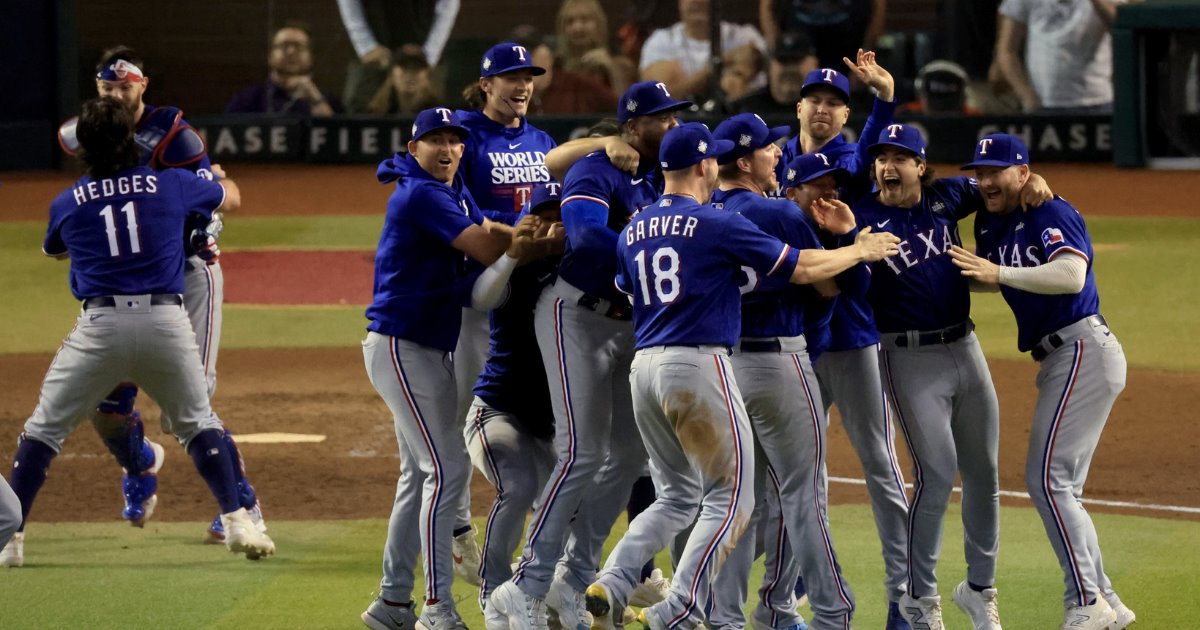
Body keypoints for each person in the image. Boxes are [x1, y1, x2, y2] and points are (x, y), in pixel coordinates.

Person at [583, 122, 898, 630]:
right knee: (756, 498)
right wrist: (858, 248)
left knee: (681, 496)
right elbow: (805, 272)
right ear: (705, 165)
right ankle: (690, 609)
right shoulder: (727, 220)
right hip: (719, 363)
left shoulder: (635, 225)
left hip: (646, 367)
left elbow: (627, 287)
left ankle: (622, 580)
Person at [0, 97, 274, 569]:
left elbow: (57, 250)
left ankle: (13, 540)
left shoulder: (66, 202)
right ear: (132, 140)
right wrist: (212, 178)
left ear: (83, 149)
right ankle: (237, 520)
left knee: (43, 432)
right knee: (197, 423)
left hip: (99, 328)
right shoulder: (169, 184)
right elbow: (225, 193)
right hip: (165, 323)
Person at [488, 80, 692, 630]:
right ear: (632, 126)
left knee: (629, 457)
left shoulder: (658, 177)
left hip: (628, 325)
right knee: (581, 450)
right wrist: (649, 237)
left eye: (677, 117)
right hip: (573, 315)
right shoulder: (597, 169)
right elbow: (584, 236)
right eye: (663, 118)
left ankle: (572, 579)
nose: (672, 125)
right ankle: (524, 587)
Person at [703, 113, 907, 630]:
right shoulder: (777, 215)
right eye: (771, 149)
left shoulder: (707, 209)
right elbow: (835, 289)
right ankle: (832, 614)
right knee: (804, 494)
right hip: (779, 361)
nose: (779, 154)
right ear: (746, 160)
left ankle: (724, 616)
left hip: (721, 366)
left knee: (736, 498)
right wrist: (851, 245)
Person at [57, 46, 268, 545]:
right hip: (126, 279)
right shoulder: (84, 132)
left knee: (186, 408)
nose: (114, 94)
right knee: (105, 408)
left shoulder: (174, 135)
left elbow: (223, 193)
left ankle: (244, 505)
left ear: (143, 85)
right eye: (106, 87)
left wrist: (207, 203)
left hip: (189, 274)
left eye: (124, 86)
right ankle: (140, 464)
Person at [358, 106, 550, 630]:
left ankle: (392, 602)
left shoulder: (447, 191)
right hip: (402, 346)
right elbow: (487, 245)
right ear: (413, 147)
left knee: (417, 476)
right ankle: (437, 608)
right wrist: (538, 242)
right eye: (435, 141)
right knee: (446, 470)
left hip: (421, 347)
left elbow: (488, 231)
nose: (447, 150)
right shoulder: (423, 193)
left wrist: (517, 235)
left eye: (455, 141)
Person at [852, 124, 1049, 630]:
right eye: (881, 159)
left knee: (983, 474)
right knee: (936, 475)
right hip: (907, 358)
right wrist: (853, 243)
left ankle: (981, 589)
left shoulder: (946, 197)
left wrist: (1037, 183)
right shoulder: (863, 217)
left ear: (921, 166)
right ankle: (919, 600)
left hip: (966, 346)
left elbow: (995, 185)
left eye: (901, 158)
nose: (887, 167)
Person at [950, 134, 1137, 630]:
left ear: (1023, 172)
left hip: (1081, 348)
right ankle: (1108, 600)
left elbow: (1071, 275)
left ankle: (1085, 601)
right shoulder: (991, 219)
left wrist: (1000, 271)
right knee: (1062, 487)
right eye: (979, 171)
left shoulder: (1050, 211)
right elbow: (986, 273)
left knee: (1047, 480)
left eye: (996, 170)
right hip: (1064, 357)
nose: (985, 180)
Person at [449, 42, 561, 587]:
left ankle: (542, 556)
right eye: (510, 77)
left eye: (528, 77)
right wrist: (515, 231)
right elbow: (459, 208)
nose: (521, 86)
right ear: (486, 84)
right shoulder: (465, 136)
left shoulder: (542, 142)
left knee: (535, 400)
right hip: (485, 285)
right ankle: (453, 530)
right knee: (466, 410)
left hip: (531, 286)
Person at [465, 181, 565, 628]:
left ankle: (548, 592)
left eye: (561, 215)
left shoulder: (581, 269)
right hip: (497, 413)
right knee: (520, 486)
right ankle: (493, 588)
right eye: (542, 215)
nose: (551, 224)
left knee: (569, 501)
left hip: (553, 425)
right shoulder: (515, 271)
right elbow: (482, 296)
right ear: (527, 220)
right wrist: (512, 254)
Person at [993, 0, 1123, 113]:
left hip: (1097, 101)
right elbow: (1007, 50)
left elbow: (1121, 29)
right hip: (1042, 104)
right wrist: (1025, 94)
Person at [336, 0, 459, 113]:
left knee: (435, 119)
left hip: (424, 39)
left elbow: (448, 4)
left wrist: (430, 53)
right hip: (375, 41)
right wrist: (366, 46)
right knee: (360, 113)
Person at [639, 0, 769, 100]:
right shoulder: (662, 40)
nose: (696, 1)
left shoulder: (746, 36)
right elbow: (660, 98)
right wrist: (722, 62)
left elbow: (763, 92)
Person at [225, 23, 344, 116]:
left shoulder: (328, 101)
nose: (291, 52)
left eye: (299, 47)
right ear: (270, 56)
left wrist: (315, 100)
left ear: (311, 57)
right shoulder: (247, 99)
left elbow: (338, 139)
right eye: (284, 46)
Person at [759, 0, 887, 70]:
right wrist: (775, 50)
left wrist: (865, 57)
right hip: (798, 51)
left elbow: (878, 5)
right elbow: (767, 6)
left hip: (848, 49)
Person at [554, 0, 637, 99]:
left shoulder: (623, 66)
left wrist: (611, 69)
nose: (577, 28)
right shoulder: (554, 68)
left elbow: (629, 107)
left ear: (599, 25)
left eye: (585, 20)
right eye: (569, 21)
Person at [732, 30, 821, 117]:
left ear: (815, 65)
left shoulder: (829, 112)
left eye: (796, 60)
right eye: (782, 60)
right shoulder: (746, 110)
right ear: (770, 67)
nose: (789, 69)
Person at [364, 49, 441, 115]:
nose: (410, 73)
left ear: (427, 77)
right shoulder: (374, 116)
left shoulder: (441, 118)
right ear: (392, 76)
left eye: (416, 68)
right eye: (405, 68)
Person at [897, 60, 982, 116]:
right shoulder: (905, 114)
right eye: (936, 100)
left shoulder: (975, 118)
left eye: (948, 104)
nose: (942, 113)